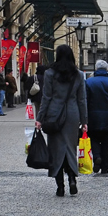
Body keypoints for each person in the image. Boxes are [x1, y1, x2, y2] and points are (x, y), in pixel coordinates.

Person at [36, 45, 87, 197]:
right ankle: (72, 179)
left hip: (54, 115)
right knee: (70, 149)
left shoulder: (50, 73)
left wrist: (40, 118)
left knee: (56, 150)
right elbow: (82, 99)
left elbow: (46, 98)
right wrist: (84, 121)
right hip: (72, 115)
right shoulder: (78, 74)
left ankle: (60, 187)